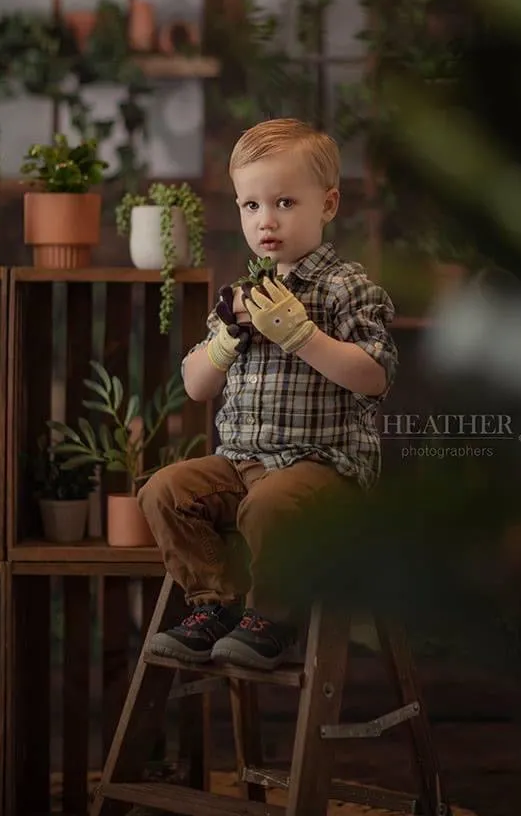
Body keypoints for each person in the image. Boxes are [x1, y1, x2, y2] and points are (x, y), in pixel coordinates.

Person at [138, 117, 398, 671]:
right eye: (250, 205)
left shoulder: (346, 287)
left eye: (283, 202)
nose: (266, 220)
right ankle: (217, 605)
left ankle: (275, 618)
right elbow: (195, 385)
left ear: (327, 205)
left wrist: (304, 337)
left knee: (272, 504)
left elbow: (375, 375)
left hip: (323, 471)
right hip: (241, 464)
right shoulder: (244, 294)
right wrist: (228, 338)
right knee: (164, 491)